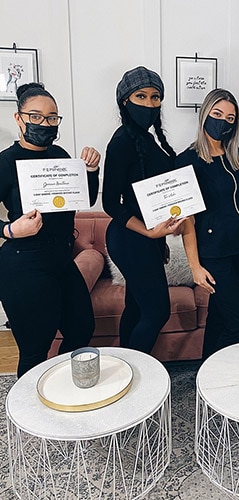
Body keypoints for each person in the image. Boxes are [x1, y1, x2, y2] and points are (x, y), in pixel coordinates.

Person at [0, 82, 100, 377]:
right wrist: (10, 230)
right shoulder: (5, 162)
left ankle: (60, 386)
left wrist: (91, 171)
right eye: (36, 116)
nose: (44, 124)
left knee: (81, 329)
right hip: (23, 263)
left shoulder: (59, 154)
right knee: (35, 349)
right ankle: (28, 404)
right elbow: (9, 228)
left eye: (52, 117)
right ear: (19, 118)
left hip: (61, 260)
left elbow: (84, 199)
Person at [103, 66, 184, 353]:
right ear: (125, 101)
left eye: (155, 97)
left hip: (147, 238)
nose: (149, 104)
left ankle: (126, 361)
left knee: (136, 306)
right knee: (157, 311)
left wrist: (158, 240)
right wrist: (149, 233)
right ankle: (138, 368)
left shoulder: (147, 139)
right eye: (141, 96)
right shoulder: (121, 141)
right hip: (129, 238)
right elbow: (110, 203)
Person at [175, 88, 239, 359]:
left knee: (218, 316)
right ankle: (216, 369)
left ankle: (205, 372)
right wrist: (195, 267)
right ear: (204, 114)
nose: (223, 122)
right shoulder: (187, 161)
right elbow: (187, 220)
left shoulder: (235, 155)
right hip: (213, 254)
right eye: (217, 114)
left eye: (230, 118)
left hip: (238, 249)